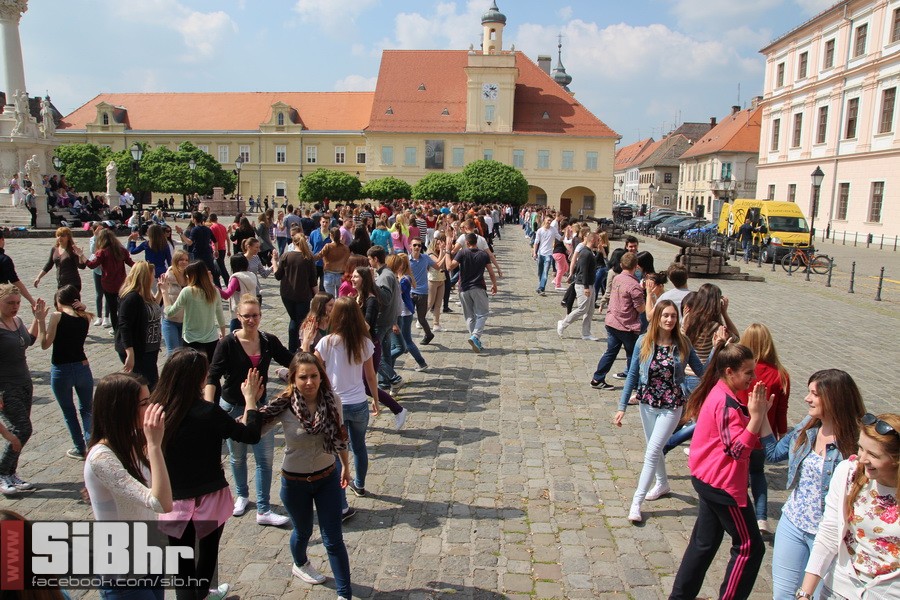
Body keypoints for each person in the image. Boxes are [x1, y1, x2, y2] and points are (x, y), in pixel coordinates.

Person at [154, 349, 262, 600]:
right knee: (207, 558)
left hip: (173, 499)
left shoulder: (157, 411)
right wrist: (251, 402)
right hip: (209, 498)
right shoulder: (208, 413)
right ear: (198, 378)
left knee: (181, 567)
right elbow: (250, 435)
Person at [668, 342, 768, 600]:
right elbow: (737, 451)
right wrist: (756, 419)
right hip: (722, 485)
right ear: (729, 372)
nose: (752, 378)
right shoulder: (726, 403)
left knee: (704, 543)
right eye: (747, 372)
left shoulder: (721, 391)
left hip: (708, 478)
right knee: (749, 547)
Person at [256, 353, 352, 598]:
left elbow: (340, 437)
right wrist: (250, 403)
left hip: (328, 478)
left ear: (321, 377)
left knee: (333, 539)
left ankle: (344, 593)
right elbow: (254, 430)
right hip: (295, 482)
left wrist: (347, 467)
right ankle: (300, 564)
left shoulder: (333, 401)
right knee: (303, 532)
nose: (309, 382)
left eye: (314, 376)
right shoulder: (283, 405)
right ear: (293, 379)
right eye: (303, 377)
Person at [761, 369, 865, 599]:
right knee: (783, 595)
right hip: (793, 523)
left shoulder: (858, 442)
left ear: (834, 398)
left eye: (814, 394)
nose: (807, 399)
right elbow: (774, 453)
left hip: (829, 536)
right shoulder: (807, 426)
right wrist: (759, 417)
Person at [613, 299, 706, 523]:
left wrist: (721, 349)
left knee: (653, 450)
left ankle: (636, 501)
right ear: (657, 318)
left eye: (673, 316)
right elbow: (633, 375)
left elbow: (703, 371)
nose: (669, 320)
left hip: (672, 404)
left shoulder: (683, 342)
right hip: (647, 402)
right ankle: (662, 483)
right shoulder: (643, 341)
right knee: (654, 446)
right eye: (665, 315)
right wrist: (622, 406)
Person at [206, 295, 293, 527]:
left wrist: (309, 355)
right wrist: (208, 408)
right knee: (237, 457)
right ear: (238, 317)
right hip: (233, 406)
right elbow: (212, 377)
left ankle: (263, 509)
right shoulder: (227, 344)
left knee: (264, 459)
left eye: (255, 315)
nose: (252, 320)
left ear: (261, 316)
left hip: (260, 408)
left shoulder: (268, 340)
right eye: (247, 316)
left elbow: (290, 360)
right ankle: (242, 495)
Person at [84, 372, 172, 600]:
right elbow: (161, 503)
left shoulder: (132, 440)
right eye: (144, 403)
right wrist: (154, 445)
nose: (151, 408)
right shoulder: (101, 458)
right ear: (121, 410)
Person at [795, 412, 899, 600]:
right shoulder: (848, 473)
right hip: (839, 589)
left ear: (896, 460)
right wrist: (805, 593)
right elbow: (829, 534)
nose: (862, 458)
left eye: (873, 454)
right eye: (861, 448)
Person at [315, 297, 380, 524]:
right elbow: (370, 375)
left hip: (336, 405)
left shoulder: (327, 342)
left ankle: (341, 500)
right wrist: (376, 400)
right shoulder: (364, 342)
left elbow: (318, 372)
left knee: (336, 453)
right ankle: (359, 484)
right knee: (359, 445)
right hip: (359, 402)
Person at [737, 322, 792, 533]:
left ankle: (741, 513)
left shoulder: (742, 371)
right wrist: (782, 433)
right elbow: (781, 409)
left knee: (740, 473)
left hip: (741, 431)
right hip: (763, 435)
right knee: (758, 473)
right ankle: (761, 518)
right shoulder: (781, 374)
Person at [37, 285, 94, 460]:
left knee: (69, 411)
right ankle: (92, 446)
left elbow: (45, 344)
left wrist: (40, 320)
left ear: (59, 302)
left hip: (62, 369)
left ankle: (79, 448)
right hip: (83, 368)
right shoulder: (85, 316)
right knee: (87, 410)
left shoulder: (57, 316)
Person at [0, 287, 46, 496]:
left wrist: (37, 319)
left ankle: (11, 473)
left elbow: (28, 341)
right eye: (10, 303)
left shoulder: (17, 322)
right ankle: (2, 473)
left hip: (24, 383)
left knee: (22, 429)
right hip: (5, 388)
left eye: (17, 303)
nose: (15, 307)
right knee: (22, 429)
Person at [589, 251, 645, 391]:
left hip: (612, 321)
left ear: (621, 264)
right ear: (636, 266)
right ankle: (634, 382)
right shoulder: (634, 286)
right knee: (633, 355)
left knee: (611, 352)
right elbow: (640, 309)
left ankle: (597, 378)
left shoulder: (617, 278)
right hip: (627, 326)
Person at [161, 261, 226, 363]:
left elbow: (170, 312)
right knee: (209, 373)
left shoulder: (187, 291)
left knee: (192, 374)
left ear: (192, 276)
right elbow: (220, 315)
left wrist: (164, 292)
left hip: (191, 340)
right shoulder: (214, 291)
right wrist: (223, 334)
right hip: (212, 339)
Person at [116, 262, 163, 390]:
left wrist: (160, 292)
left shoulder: (145, 294)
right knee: (147, 385)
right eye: (152, 275)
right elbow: (124, 326)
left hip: (150, 348)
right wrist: (130, 353)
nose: (154, 278)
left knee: (152, 382)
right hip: (139, 349)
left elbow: (153, 311)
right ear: (145, 277)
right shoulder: (132, 297)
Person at [448, 233, 498, 353]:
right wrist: (494, 284)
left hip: (463, 289)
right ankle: (475, 336)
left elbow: (449, 266)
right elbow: (491, 272)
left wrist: (446, 252)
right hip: (478, 287)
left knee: (469, 316)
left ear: (466, 242)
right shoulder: (483, 254)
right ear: (477, 242)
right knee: (483, 314)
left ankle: (475, 340)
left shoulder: (462, 253)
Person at [274, 232, 318, 353]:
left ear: (293, 242)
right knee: (300, 321)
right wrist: (317, 295)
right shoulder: (309, 258)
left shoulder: (286, 256)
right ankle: (300, 347)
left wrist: (274, 261)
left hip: (287, 294)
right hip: (303, 294)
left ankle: (292, 349)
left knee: (293, 319)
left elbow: (278, 276)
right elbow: (313, 280)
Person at [85, 228, 134, 331]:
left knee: (112, 308)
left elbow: (92, 265)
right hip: (121, 283)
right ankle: (124, 328)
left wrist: (82, 256)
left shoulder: (102, 252)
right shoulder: (121, 251)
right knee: (122, 308)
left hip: (108, 283)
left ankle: (116, 330)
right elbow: (131, 263)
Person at [386, 253, 428, 372]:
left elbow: (397, 293)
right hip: (404, 313)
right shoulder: (402, 277)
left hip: (404, 313)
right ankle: (391, 369)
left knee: (406, 341)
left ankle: (421, 362)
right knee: (397, 343)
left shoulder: (404, 279)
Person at [557, 230, 600, 341]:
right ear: (592, 240)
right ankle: (563, 323)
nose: (599, 242)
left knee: (590, 310)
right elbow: (583, 271)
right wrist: (586, 287)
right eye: (597, 240)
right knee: (582, 309)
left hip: (590, 284)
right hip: (583, 285)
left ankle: (586, 333)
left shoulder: (590, 252)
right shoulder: (586, 253)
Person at [33, 227, 87, 291]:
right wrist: (38, 277)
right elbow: (49, 265)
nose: (59, 238)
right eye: (58, 236)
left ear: (68, 237)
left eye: (62, 236)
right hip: (61, 283)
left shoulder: (73, 250)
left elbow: (82, 266)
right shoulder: (54, 249)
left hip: (73, 283)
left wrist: (80, 256)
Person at [160, 250, 189, 357]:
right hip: (170, 320)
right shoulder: (167, 277)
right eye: (181, 260)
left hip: (185, 322)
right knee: (173, 353)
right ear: (175, 261)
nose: (184, 262)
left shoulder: (190, 277)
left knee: (182, 353)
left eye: (186, 260)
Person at [408, 238, 435, 344]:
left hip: (423, 293)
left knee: (421, 318)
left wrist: (443, 251)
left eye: (419, 245)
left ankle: (429, 334)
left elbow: (438, 266)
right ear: (410, 246)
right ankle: (406, 339)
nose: (417, 247)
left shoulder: (425, 258)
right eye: (414, 245)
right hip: (410, 292)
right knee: (406, 317)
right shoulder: (406, 259)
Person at [425, 233, 449, 332]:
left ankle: (436, 324)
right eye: (439, 245)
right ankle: (420, 319)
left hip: (441, 279)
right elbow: (438, 263)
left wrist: (444, 251)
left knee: (438, 303)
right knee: (430, 302)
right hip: (432, 279)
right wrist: (444, 252)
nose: (440, 247)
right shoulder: (430, 253)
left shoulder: (440, 252)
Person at [88, 224, 111, 328]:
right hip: (97, 270)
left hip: (107, 270)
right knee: (99, 294)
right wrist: (95, 236)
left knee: (108, 294)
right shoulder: (93, 239)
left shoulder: (108, 241)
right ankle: (99, 317)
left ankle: (106, 317)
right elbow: (93, 250)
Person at [208, 214, 230, 288]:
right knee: (217, 267)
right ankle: (218, 284)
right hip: (223, 249)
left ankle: (228, 284)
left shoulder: (212, 228)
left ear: (210, 220)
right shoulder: (223, 227)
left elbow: (214, 240)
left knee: (221, 268)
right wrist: (229, 250)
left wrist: (216, 250)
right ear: (217, 219)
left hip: (216, 249)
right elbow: (227, 239)